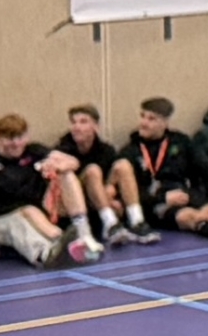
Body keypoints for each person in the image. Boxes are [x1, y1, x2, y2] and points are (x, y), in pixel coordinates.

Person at [0, 114, 96, 267]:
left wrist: (56, 166)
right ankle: (47, 253)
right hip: (0, 221)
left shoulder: (35, 151)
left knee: (68, 174)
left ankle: (84, 233)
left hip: (40, 215)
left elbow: (74, 162)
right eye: (10, 138)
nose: (16, 143)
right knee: (22, 216)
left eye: (20, 137)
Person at [124, 97, 208, 236]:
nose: (144, 123)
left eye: (151, 119)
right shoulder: (130, 151)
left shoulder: (180, 141)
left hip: (182, 192)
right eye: (142, 117)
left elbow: (204, 167)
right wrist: (163, 198)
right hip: (155, 201)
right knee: (187, 216)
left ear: (164, 123)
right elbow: (131, 194)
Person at [55, 103, 144, 246]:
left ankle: (137, 222)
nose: (77, 127)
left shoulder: (106, 150)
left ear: (95, 127)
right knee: (93, 170)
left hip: (100, 203)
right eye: (73, 122)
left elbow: (114, 184)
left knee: (123, 165)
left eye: (83, 122)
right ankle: (110, 224)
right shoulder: (62, 151)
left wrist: (111, 192)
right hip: (76, 207)